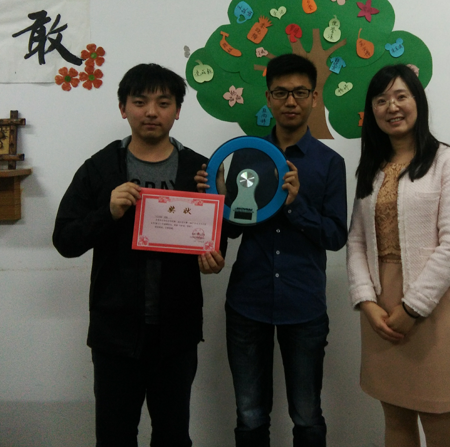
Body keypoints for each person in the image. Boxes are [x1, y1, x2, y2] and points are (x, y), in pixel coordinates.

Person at [52, 63, 225, 447]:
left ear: (177, 111)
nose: (151, 111)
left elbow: (216, 240)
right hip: (115, 333)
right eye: (140, 101)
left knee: (173, 436)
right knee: (114, 437)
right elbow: (65, 240)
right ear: (123, 108)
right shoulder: (100, 168)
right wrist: (108, 212)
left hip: (176, 333)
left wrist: (214, 256)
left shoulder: (199, 169)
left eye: (163, 103)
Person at [196, 53, 347, 447]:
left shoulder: (330, 163)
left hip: (304, 304)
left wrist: (296, 205)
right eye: (281, 93)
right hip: (249, 301)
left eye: (300, 92)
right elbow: (234, 228)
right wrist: (219, 198)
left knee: (307, 416)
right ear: (268, 98)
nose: (290, 101)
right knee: (249, 417)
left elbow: (335, 236)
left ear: (314, 97)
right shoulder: (247, 155)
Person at [346, 63, 450, 447]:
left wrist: (413, 307)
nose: (392, 107)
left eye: (401, 96)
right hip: (380, 307)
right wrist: (366, 302)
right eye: (381, 100)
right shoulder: (371, 168)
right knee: (396, 421)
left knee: (439, 425)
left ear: (418, 101)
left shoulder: (447, 161)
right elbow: (356, 241)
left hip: (433, 306)